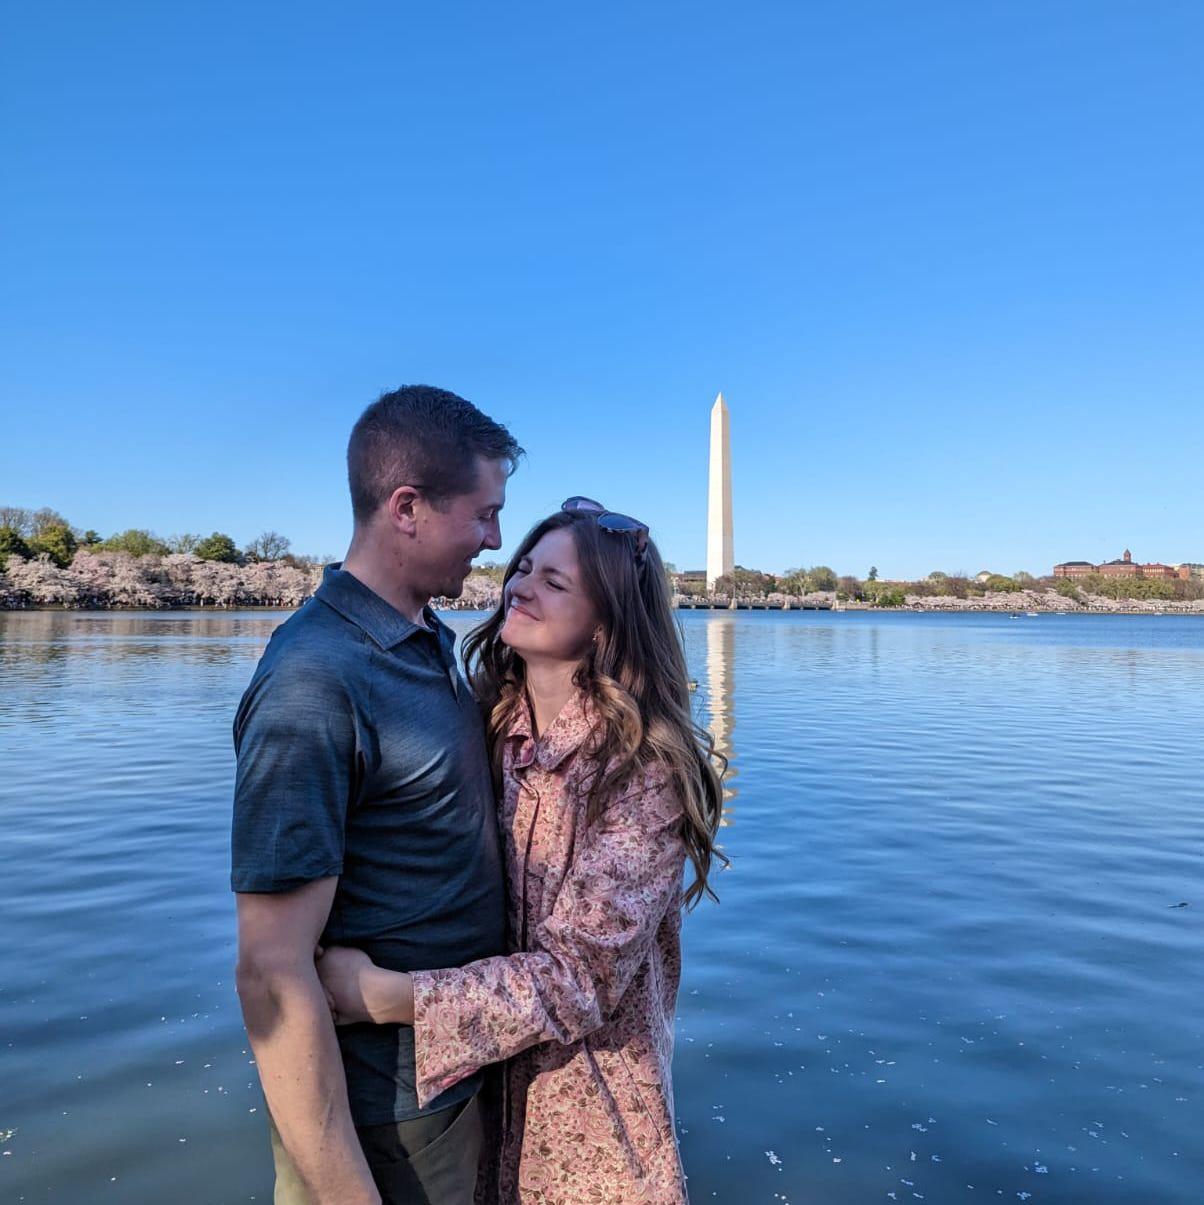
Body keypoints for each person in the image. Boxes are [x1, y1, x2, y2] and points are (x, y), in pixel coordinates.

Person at [316, 497, 726, 1204]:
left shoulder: (641, 770)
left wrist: (389, 997)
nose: (520, 586)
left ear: (606, 624)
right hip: (475, 1108)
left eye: (555, 582)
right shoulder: (483, 720)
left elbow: (581, 977)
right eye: (524, 567)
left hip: (590, 1123)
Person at [231, 385, 522, 1205]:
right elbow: (270, 971)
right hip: (381, 1122)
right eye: (485, 512)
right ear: (407, 508)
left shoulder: (427, 638)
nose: (496, 539)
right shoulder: (314, 680)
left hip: (449, 1082)